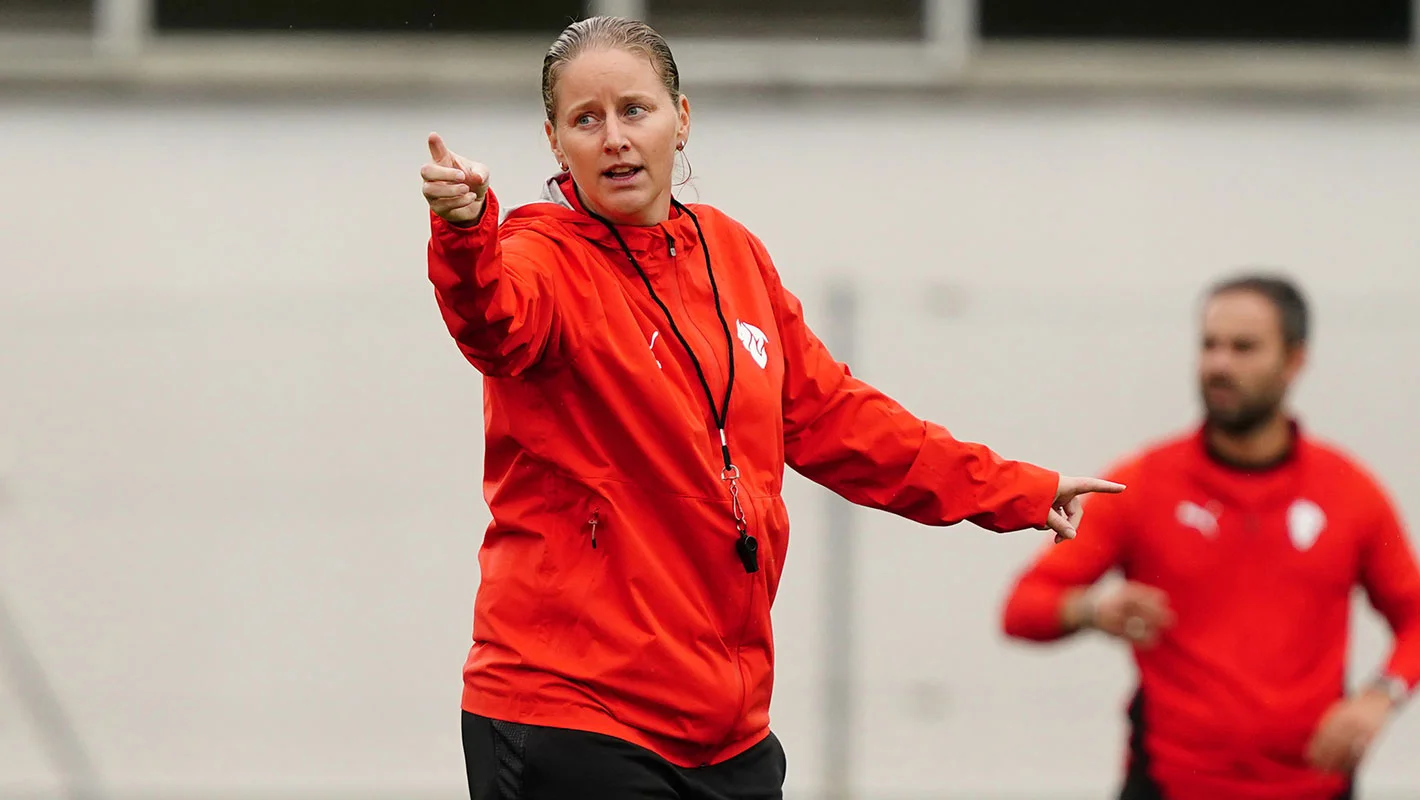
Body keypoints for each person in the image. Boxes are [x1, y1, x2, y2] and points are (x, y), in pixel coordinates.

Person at [422, 16, 1121, 800]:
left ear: (681, 119)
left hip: (725, 726)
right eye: (586, 119)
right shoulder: (539, 257)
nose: (614, 137)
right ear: (555, 142)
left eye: (634, 110)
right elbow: (492, 320)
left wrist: (1015, 489)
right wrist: (462, 233)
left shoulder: (733, 253)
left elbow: (837, 418)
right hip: (570, 709)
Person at [999, 273, 1420, 800]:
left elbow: (1414, 614)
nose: (1220, 364)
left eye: (1244, 348)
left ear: (1294, 361)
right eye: (1210, 345)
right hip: (1171, 784)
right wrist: (1090, 610)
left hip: (1314, 786)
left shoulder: (1349, 491)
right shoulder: (1145, 484)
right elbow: (1023, 608)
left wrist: (1380, 696)